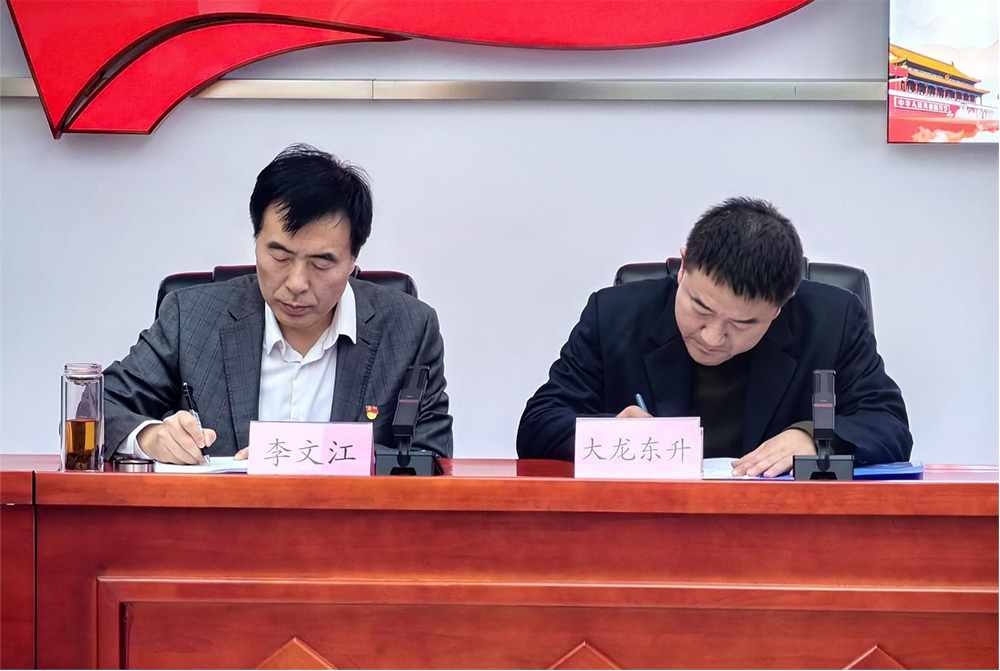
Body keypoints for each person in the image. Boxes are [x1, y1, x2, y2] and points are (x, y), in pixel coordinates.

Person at [104, 144, 453, 463]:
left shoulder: (409, 329)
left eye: (321, 263)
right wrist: (148, 437)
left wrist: (301, 456)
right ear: (256, 241)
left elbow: (431, 456)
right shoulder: (192, 318)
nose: (297, 283)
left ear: (352, 261)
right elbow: (99, 405)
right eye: (280, 256)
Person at [516, 197, 911, 476]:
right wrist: (610, 433)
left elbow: (888, 424)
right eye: (701, 309)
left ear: (780, 307)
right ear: (683, 267)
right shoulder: (616, 314)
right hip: (647, 527)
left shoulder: (832, 321)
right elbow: (538, 426)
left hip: (783, 533)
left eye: (743, 324)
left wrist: (814, 439)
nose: (712, 337)